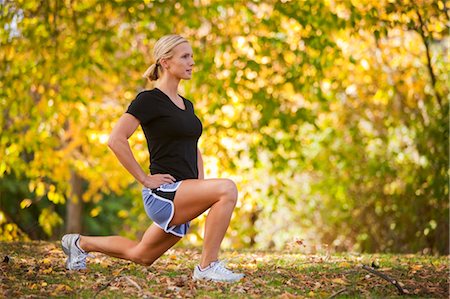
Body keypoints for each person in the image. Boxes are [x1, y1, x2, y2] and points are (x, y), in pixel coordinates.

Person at [61, 34, 244, 282]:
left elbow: (193, 146)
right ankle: (207, 267)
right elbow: (116, 139)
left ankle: (79, 243)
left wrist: (201, 185)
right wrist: (145, 179)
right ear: (165, 62)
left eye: (192, 56)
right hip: (164, 194)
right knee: (228, 188)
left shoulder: (186, 105)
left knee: (142, 254)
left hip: (184, 191)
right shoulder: (148, 100)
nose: (192, 62)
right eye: (185, 56)